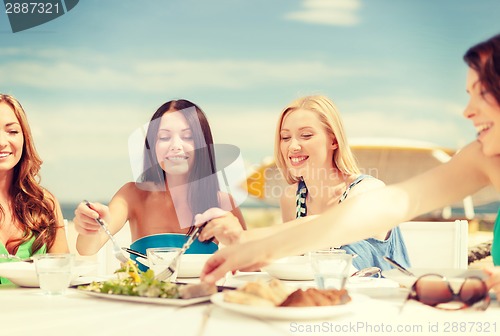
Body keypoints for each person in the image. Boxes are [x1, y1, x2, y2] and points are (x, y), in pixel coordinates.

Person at [197, 33, 500, 299]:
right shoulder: (481, 158)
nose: (467, 112)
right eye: (285, 137)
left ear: (333, 141)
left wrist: (252, 241)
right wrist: (250, 244)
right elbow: (390, 203)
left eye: (482, 93)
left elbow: (343, 219)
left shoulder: (365, 188)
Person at [198, 95, 410, 271]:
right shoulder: (292, 199)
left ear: (334, 140)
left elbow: (324, 226)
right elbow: (289, 259)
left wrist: (244, 237)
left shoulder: (369, 191)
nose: (293, 146)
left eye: (306, 135)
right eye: (285, 137)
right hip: (319, 309)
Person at [73, 99, 246, 257]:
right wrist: (90, 226)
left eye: (188, 137)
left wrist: (239, 242)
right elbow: (86, 249)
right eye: (164, 137)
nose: (176, 146)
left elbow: (249, 263)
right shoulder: (132, 194)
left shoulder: (222, 202)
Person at [0, 94, 68, 285]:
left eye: (12, 131)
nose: (2, 141)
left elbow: (62, 275)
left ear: (25, 138)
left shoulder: (45, 203)